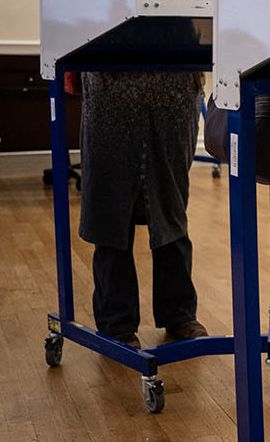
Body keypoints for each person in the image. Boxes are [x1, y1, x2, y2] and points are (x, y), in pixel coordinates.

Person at [77, 72, 207, 347]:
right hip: (109, 92)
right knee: (111, 214)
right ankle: (117, 323)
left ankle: (179, 314)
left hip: (174, 89)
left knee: (170, 212)